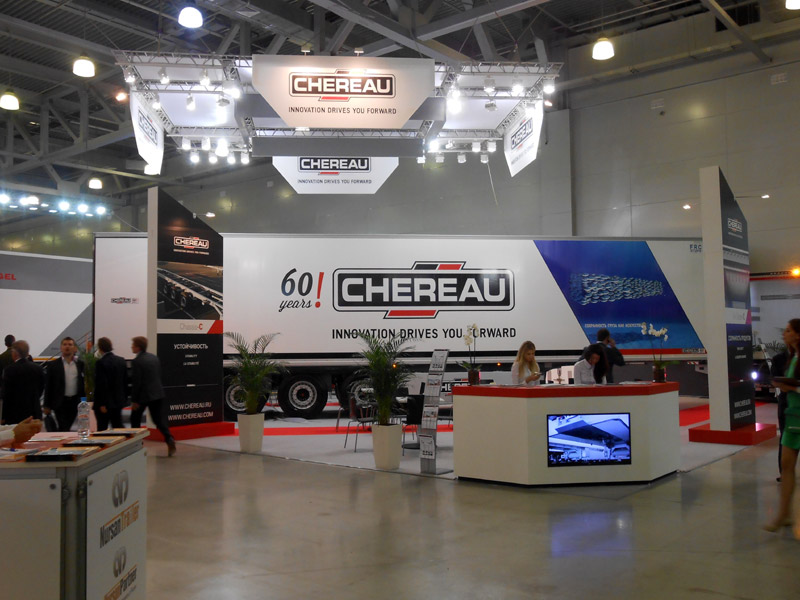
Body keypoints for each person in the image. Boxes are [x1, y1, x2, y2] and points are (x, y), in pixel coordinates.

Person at [765, 319, 800, 533]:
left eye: (788, 330)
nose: (784, 334)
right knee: (786, 466)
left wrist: (792, 388)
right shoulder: (791, 358)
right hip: (792, 417)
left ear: (798, 334)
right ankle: (783, 514)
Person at [129, 336, 176, 456]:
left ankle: (136, 445)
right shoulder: (154, 358)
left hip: (143, 395)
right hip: (158, 393)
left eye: (133, 345)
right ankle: (169, 438)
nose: (131, 347)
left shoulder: (137, 361)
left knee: (135, 419)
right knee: (158, 420)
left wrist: (134, 400)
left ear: (138, 347)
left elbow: (137, 382)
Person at [43, 337, 85, 432]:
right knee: (63, 426)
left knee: (67, 425)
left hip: (74, 401)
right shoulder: (53, 365)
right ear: (61, 347)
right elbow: (48, 386)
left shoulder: (80, 364)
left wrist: (84, 401)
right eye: (65, 344)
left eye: (70, 344)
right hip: (59, 402)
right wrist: (46, 405)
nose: (67, 347)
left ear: (74, 348)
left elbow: (82, 384)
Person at [1, 340, 44, 425]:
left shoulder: (9, 370)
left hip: (14, 413)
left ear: (15, 353)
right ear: (27, 353)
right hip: (33, 411)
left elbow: (7, 394)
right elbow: (41, 388)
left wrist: (3, 417)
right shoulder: (38, 368)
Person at [93, 337, 128, 430]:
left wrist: (102, 403)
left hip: (105, 403)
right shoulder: (121, 361)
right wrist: (123, 399)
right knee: (117, 426)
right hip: (118, 401)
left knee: (102, 428)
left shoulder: (101, 363)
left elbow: (102, 384)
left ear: (100, 348)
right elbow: (125, 382)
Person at [771, 348, 789, 481]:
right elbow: (775, 381)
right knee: (785, 437)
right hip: (786, 403)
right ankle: (784, 472)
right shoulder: (778, 359)